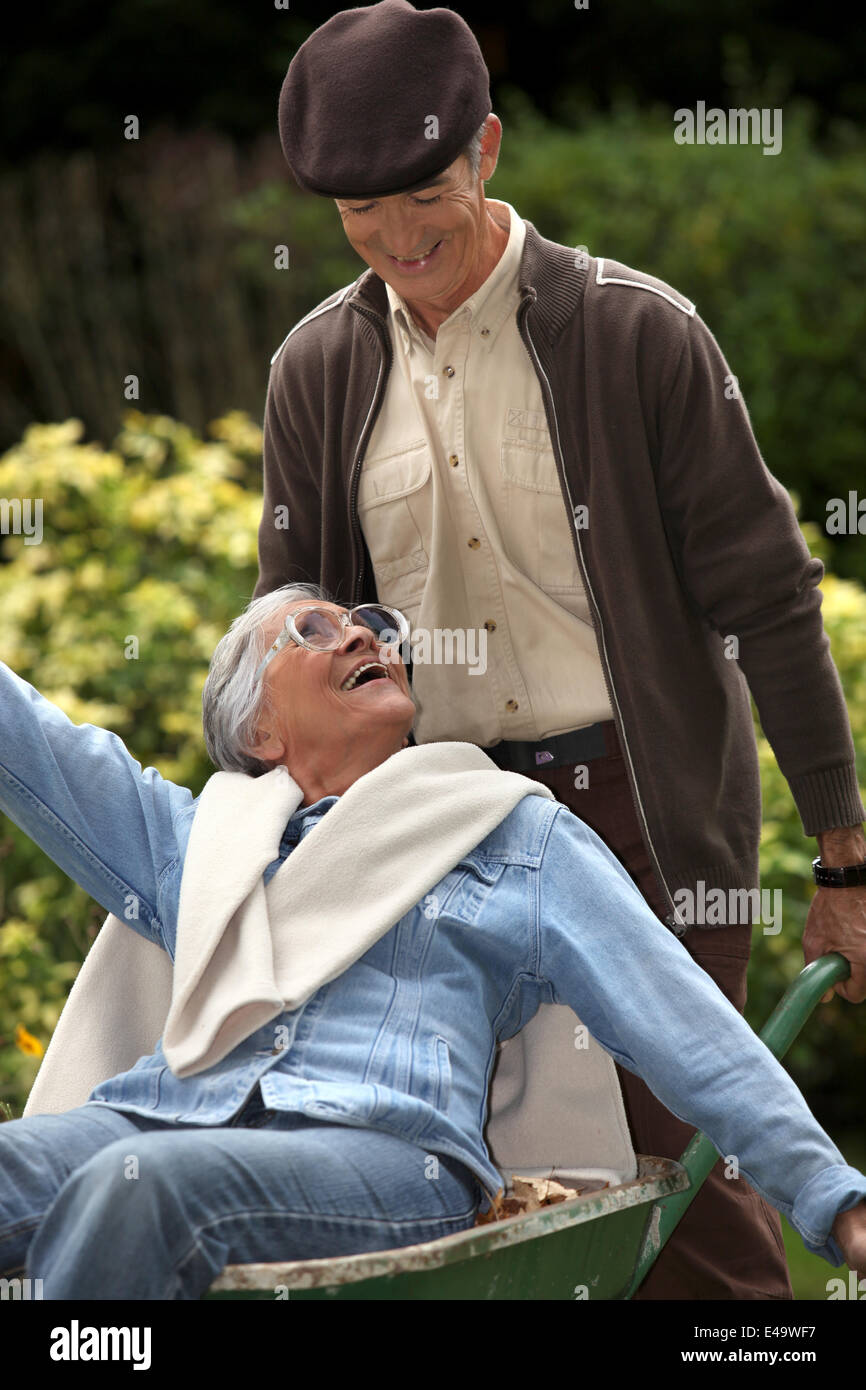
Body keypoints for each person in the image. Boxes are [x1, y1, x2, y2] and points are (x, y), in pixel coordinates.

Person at [254, 0, 866, 1298]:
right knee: (470, 1196)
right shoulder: (314, 367)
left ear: (484, 148)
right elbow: (294, 634)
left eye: (422, 191)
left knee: (675, 1189)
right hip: (436, 836)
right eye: (360, 213)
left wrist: (844, 855)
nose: (399, 236)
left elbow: (768, 597)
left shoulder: (636, 335)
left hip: (638, 822)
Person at [0, 586, 865, 1301]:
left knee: (139, 1191)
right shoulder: (200, 845)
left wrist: (837, 1199)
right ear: (259, 731)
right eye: (313, 629)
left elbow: (688, 1029)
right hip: (166, 1120)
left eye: (374, 626)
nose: (359, 635)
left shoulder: (510, 836)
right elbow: (34, 746)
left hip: (383, 1156)